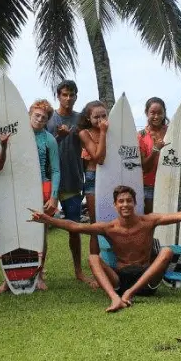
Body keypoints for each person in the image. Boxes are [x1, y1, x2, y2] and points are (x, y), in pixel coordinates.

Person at [29, 185, 181, 312]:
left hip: (147, 280)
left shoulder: (148, 221)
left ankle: (129, 294)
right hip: (119, 278)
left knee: (166, 251)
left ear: (135, 203)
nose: (125, 204)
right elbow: (75, 226)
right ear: (115, 205)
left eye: (129, 201)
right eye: (121, 201)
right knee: (93, 258)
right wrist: (46, 218)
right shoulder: (109, 227)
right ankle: (115, 298)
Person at [0, 100, 60, 294]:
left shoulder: (48, 139)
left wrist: (53, 197)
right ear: (29, 115)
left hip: (40, 188)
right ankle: (7, 279)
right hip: (16, 188)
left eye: (44, 118)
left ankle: (38, 276)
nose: (39, 120)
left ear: (47, 121)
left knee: (39, 234)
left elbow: (55, 170)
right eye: (36, 115)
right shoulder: (17, 135)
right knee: (11, 231)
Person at [44, 80, 95, 287]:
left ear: (76, 96)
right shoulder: (49, 118)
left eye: (72, 94)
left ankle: (78, 271)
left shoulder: (80, 120)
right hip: (48, 183)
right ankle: (40, 271)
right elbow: (43, 149)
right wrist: (58, 136)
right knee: (42, 228)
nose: (68, 98)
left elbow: (91, 143)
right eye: (64, 94)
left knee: (74, 229)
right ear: (58, 95)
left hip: (74, 180)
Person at [78, 101, 109, 253]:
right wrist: (103, 132)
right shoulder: (85, 133)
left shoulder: (112, 131)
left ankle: (112, 260)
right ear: (88, 118)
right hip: (93, 177)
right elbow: (99, 158)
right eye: (96, 117)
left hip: (111, 176)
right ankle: (95, 261)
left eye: (104, 115)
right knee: (96, 224)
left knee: (113, 221)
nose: (101, 120)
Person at [138, 97, 168, 215]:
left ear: (164, 113)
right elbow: (144, 167)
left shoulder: (172, 132)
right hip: (148, 186)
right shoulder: (140, 136)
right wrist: (155, 149)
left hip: (169, 185)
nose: (156, 116)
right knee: (150, 223)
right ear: (146, 113)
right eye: (152, 113)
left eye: (160, 113)